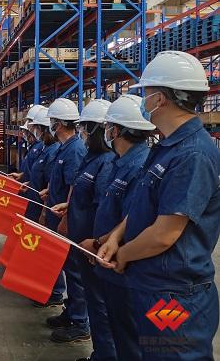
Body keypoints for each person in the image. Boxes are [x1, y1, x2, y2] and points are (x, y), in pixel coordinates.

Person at [97, 51, 220, 360]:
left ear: (161, 98)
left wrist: (123, 255)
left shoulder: (192, 154)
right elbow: (146, 203)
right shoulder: (166, 146)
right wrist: (115, 237)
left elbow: (165, 234)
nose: (144, 100)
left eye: (146, 93)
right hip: (152, 285)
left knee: (172, 354)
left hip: (174, 294)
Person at [80, 94, 154, 361]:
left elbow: (134, 220)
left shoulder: (139, 166)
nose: (106, 131)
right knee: (116, 324)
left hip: (122, 264)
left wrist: (98, 244)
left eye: (108, 126)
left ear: (116, 130)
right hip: (107, 258)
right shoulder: (120, 161)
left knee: (128, 335)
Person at [50, 99, 116, 361]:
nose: (82, 132)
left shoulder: (106, 162)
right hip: (80, 236)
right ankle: (75, 315)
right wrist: (70, 206)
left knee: (97, 300)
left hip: (90, 241)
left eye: (86, 127)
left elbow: (103, 207)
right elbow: (80, 191)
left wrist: (96, 242)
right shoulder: (91, 156)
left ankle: (82, 325)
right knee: (80, 282)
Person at [38, 98, 88, 342]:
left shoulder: (75, 149)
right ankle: (71, 311)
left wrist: (66, 218)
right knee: (65, 264)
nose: (50, 125)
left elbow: (74, 187)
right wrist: (50, 191)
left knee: (74, 271)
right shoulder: (64, 147)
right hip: (56, 215)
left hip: (66, 220)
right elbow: (62, 181)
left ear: (58, 124)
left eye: (52, 121)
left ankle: (80, 322)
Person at [20, 107, 59, 224]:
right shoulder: (45, 148)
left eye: (36, 127)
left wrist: (44, 213)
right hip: (33, 202)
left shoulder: (52, 151)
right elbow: (40, 175)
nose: (33, 130)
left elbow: (50, 183)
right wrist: (30, 183)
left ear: (43, 128)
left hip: (41, 206)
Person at [11, 104, 45, 182]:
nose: (23, 134)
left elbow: (40, 173)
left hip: (32, 186)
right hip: (27, 184)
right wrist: (22, 175)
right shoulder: (33, 146)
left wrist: (29, 183)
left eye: (25, 131)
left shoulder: (40, 147)